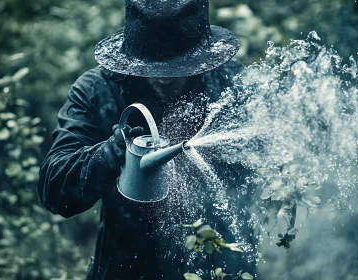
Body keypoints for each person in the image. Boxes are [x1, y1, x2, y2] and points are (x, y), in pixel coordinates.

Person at [38, 0, 255, 279]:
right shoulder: (98, 90)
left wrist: (234, 154)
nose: (164, 80)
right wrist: (110, 153)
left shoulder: (230, 84)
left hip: (222, 263)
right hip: (126, 267)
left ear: (201, 56)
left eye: (178, 67)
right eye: (153, 68)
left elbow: (268, 159)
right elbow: (54, 190)